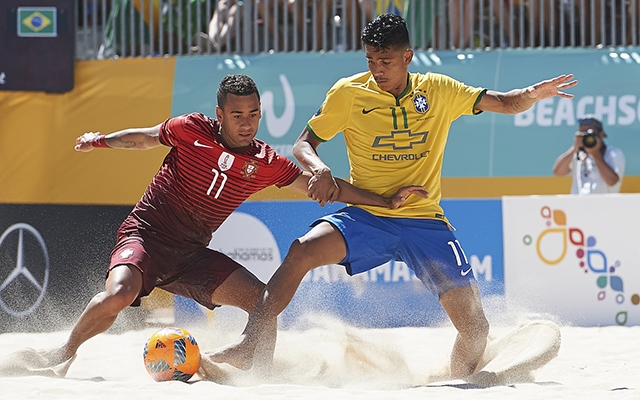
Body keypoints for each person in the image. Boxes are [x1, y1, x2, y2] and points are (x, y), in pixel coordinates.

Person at [210, 14, 577, 380]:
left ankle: (458, 381)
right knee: (300, 250)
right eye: (370, 60)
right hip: (368, 214)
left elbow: (507, 102)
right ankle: (250, 341)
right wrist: (320, 169)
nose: (377, 69)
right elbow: (304, 144)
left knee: (476, 329)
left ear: (407, 57)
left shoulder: (438, 90)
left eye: (385, 61)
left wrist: (529, 95)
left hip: (425, 222)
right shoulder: (348, 93)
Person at [17, 74, 423, 378]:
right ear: (220, 115)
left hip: (191, 255)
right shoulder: (191, 129)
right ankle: (63, 353)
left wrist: (384, 200)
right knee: (119, 294)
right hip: (146, 236)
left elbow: (324, 189)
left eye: (253, 115)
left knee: (265, 301)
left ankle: (256, 371)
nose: (246, 123)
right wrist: (101, 140)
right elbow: (143, 138)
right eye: (237, 115)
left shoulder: (267, 162)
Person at [552, 116, 625, 194]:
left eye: (590, 133)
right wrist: (574, 149)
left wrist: (595, 154)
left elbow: (612, 181)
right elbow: (558, 172)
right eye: (583, 134)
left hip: (604, 204)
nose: (587, 137)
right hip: (579, 204)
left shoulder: (613, 153)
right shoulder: (577, 153)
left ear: (601, 134)